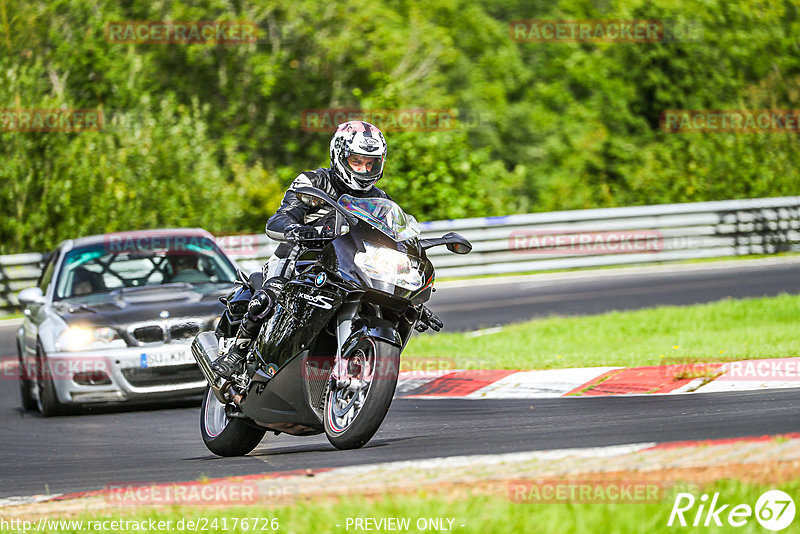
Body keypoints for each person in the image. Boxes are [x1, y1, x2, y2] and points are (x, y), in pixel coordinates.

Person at [211, 120, 442, 380]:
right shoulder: (314, 181)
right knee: (271, 293)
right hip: (299, 257)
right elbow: (279, 219)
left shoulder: (381, 200)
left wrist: (411, 300)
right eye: (357, 161)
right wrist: (295, 230)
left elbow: (391, 244)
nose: (364, 169)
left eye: (371, 163)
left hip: (345, 265)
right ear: (339, 155)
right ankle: (236, 355)